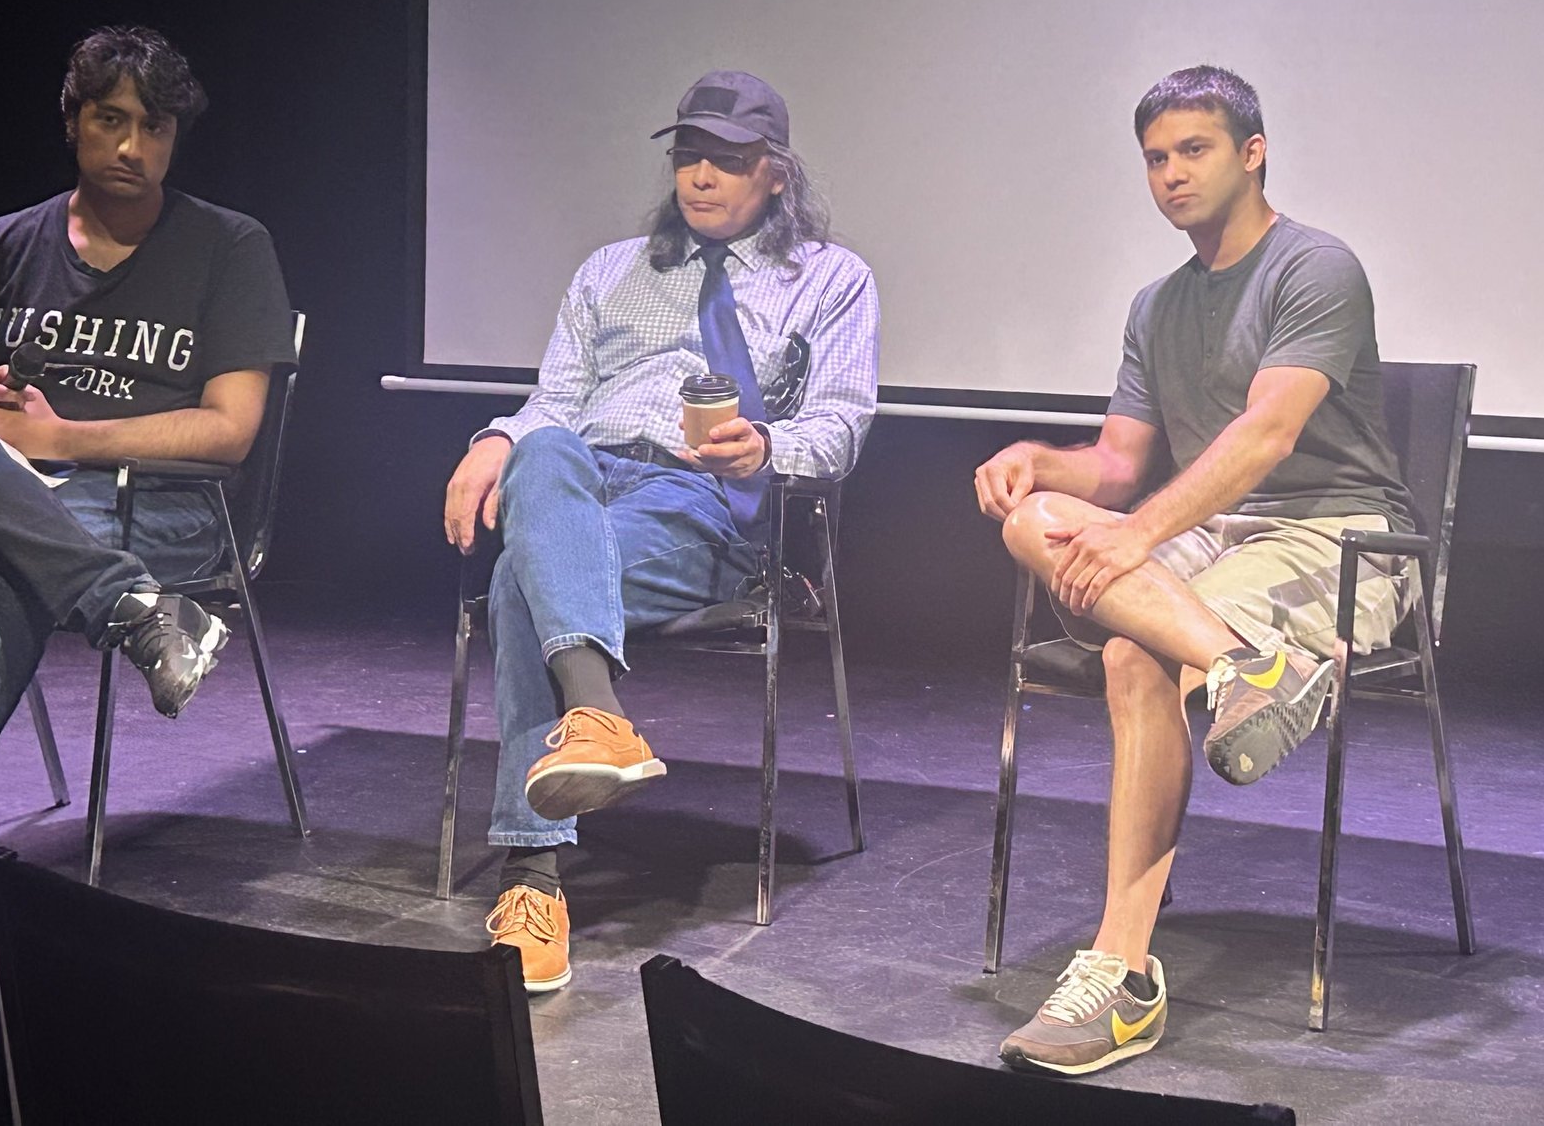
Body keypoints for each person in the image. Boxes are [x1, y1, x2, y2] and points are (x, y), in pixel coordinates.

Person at [975, 65, 1415, 1075]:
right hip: (1214, 539)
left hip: (1337, 537)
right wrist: (1042, 466)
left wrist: (1134, 536)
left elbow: (1264, 436)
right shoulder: (1157, 304)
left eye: (1193, 150)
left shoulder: (1316, 267)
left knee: (1136, 655)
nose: (1171, 174)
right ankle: (1246, 670)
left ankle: (1120, 975)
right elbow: (1120, 464)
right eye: (1155, 159)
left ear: (1251, 153)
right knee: (1036, 522)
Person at [442, 70, 878, 994]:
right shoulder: (609, 269)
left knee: (526, 572)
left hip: (703, 498)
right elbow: (551, 403)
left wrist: (765, 445)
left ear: (777, 176)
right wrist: (494, 436)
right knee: (545, 451)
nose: (703, 176)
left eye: (729, 159)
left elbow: (840, 425)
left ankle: (533, 878)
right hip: (582, 473)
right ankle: (598, 721)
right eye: (690, 155)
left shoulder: (831, 279)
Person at [0, 26, 296, 839]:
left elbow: (230, 433)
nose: (131, 145)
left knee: (7, 569)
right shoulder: (3, 244)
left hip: (158, 505)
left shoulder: (230, 246)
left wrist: (60, 440)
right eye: (110, 119)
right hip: (3, 496)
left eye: (153, 127)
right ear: (72, 120)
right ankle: (130, 605)